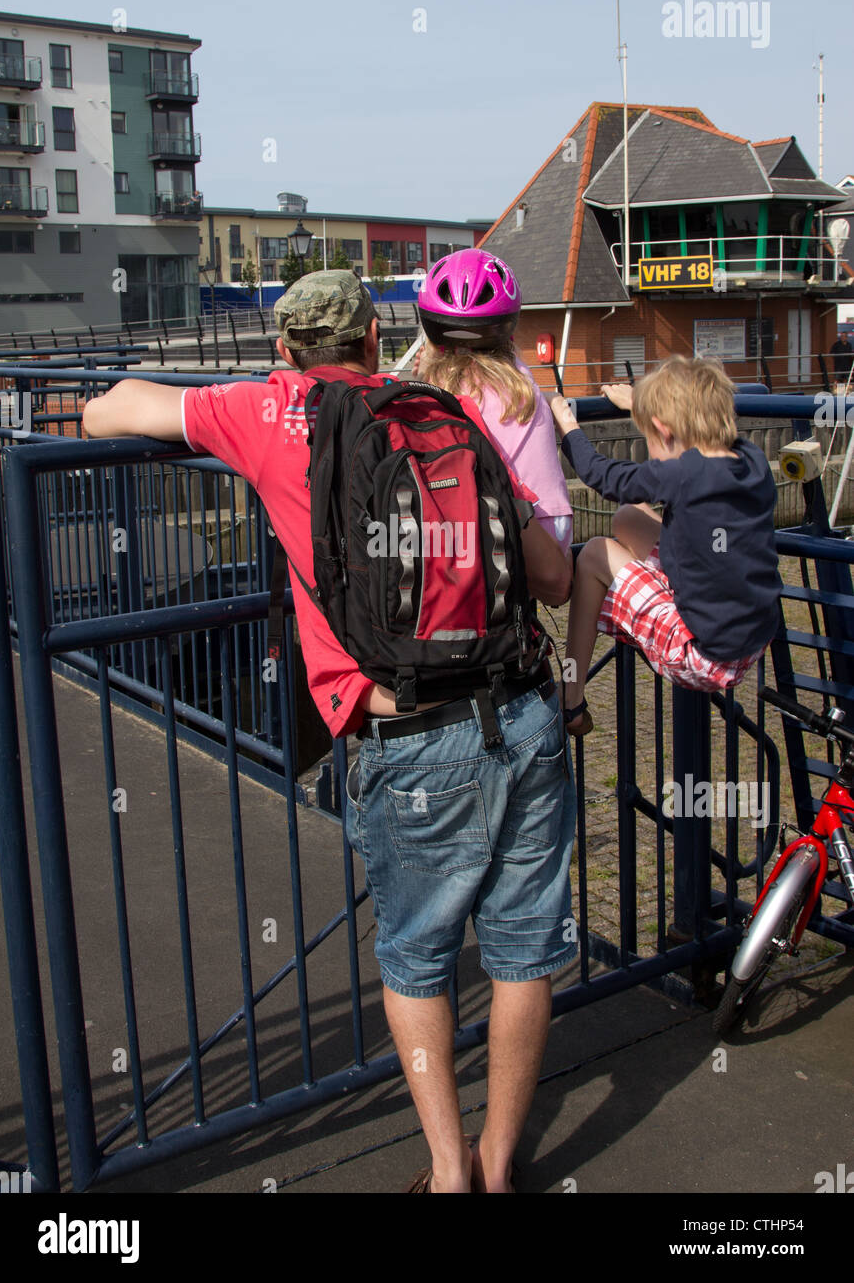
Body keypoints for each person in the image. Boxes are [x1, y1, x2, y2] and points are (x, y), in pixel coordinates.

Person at [82, 269, 577, 1195]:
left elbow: (115, 412)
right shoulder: (451, 416)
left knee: (418, 960)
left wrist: (85, 408)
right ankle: (502, 1168)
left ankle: (447, 1170)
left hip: (409, 733)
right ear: (376, 347)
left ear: (285, 355)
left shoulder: (268, 415)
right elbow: (551, 578)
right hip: (524, 712)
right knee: (522, 952)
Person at [547, 356, 783, 736]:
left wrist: (565, 421)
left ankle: (571, 697)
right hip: (752, 636)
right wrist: (643, 401)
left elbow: (597, 473)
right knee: (627, 516)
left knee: (594, 554)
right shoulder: (749, 458)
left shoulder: (682, 475)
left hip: (705, 656)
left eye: (650, 436)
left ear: (663, 429)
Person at [413, 249, 574, 596]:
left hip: (429, 588)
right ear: (509, 329)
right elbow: (556, 562)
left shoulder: (416, 399)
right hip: (501, 585)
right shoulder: (522, 396)